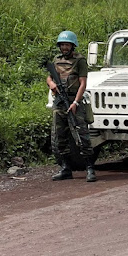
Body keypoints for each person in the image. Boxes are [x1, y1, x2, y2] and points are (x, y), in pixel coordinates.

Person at [47, 30, 97, 182]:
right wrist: (52, 85)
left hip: (74, 101)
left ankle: (90, 168)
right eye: (62, 45)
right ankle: (65, 168)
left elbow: (83, 83)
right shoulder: (56, 60)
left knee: (82, 136)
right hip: (59, 103)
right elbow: (49, 78)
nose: (64, 47)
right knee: (59, 137)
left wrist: (75, 102)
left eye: (67, 45)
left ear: (72, 46)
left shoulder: (80, 60)